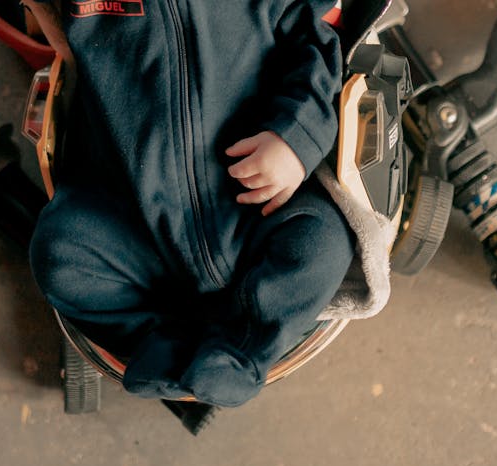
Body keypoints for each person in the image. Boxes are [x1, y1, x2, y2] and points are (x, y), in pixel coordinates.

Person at [24, 0, 355, 408]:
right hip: (130, 213)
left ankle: (241, 351)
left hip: (254, 210)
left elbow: (316, 46)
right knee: (60, 256)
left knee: (321, 242)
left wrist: (294, 139)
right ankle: (161, 346)